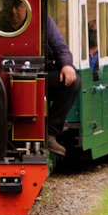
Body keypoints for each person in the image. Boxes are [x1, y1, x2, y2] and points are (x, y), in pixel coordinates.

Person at [44, 14, 80, 156]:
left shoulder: (43, 19)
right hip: (2, 73)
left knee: (73, 82)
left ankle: (50, 133)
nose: (14, 11)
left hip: (41, 73)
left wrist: (66, 65)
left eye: (18, 7)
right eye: (11, 7)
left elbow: (60, 46)